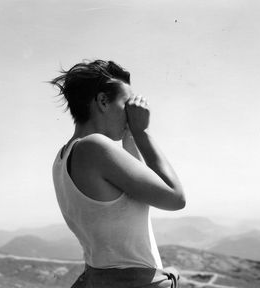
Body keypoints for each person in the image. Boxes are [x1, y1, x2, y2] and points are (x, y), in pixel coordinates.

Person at [50, 59, 186, 288]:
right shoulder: (93, 147)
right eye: (127, 105)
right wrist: (142, 133)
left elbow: (138, 191)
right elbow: (175, 198)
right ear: (103, 101)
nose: (132, 113)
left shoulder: (63, 157)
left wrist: (130, 136)